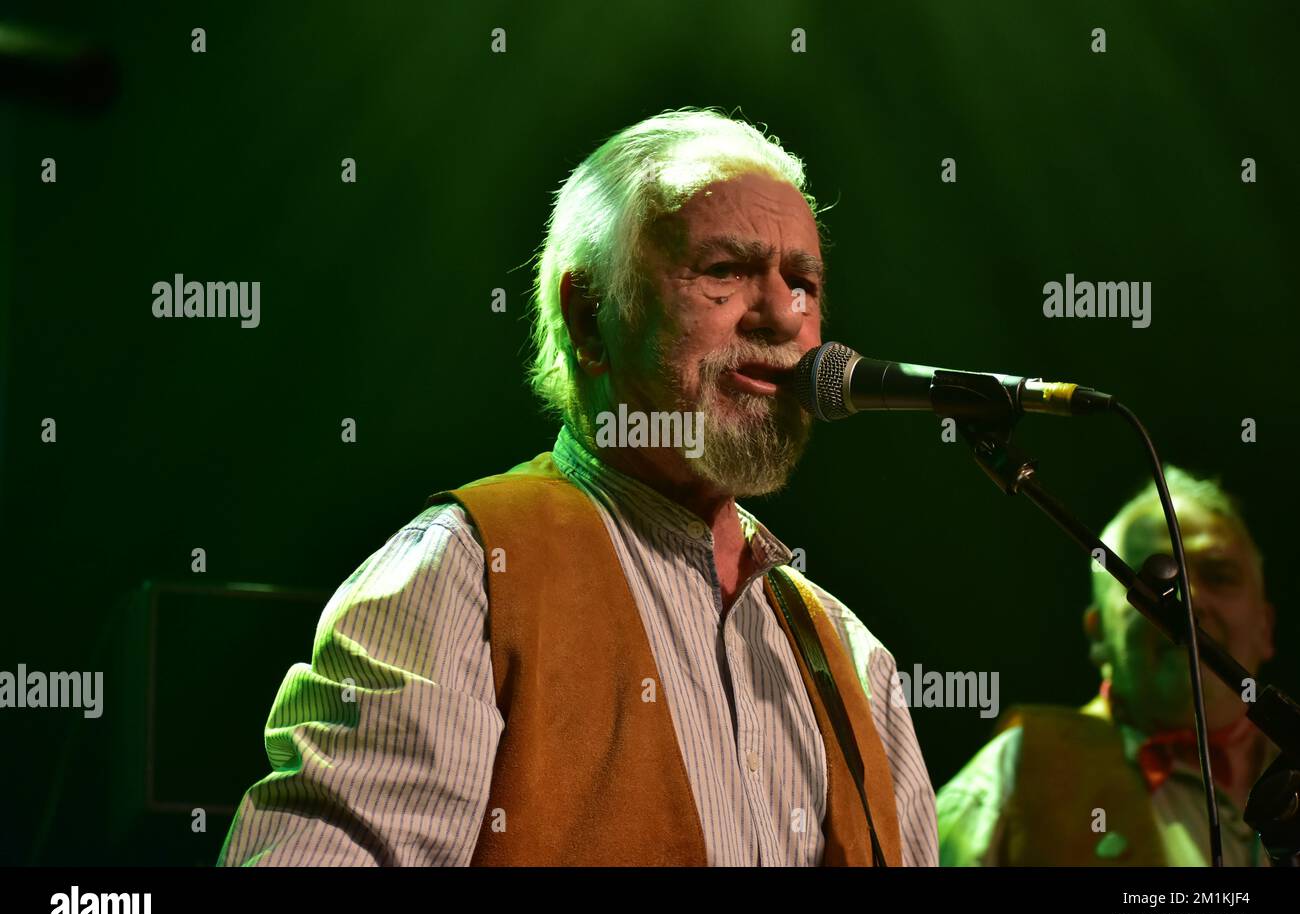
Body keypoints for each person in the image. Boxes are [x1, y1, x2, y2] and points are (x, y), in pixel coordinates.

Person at [218, 108, 938, 867]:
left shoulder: (855, 663)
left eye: (803, 284)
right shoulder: (465, 578)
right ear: (590, 319)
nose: (779, 316)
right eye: (725, 271)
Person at [937, 466, 1277, 865]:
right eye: (1158, 583)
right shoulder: (1015, 773)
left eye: (1220, 575)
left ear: (1266, 629)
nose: (1192, 600)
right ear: (1098, 634)